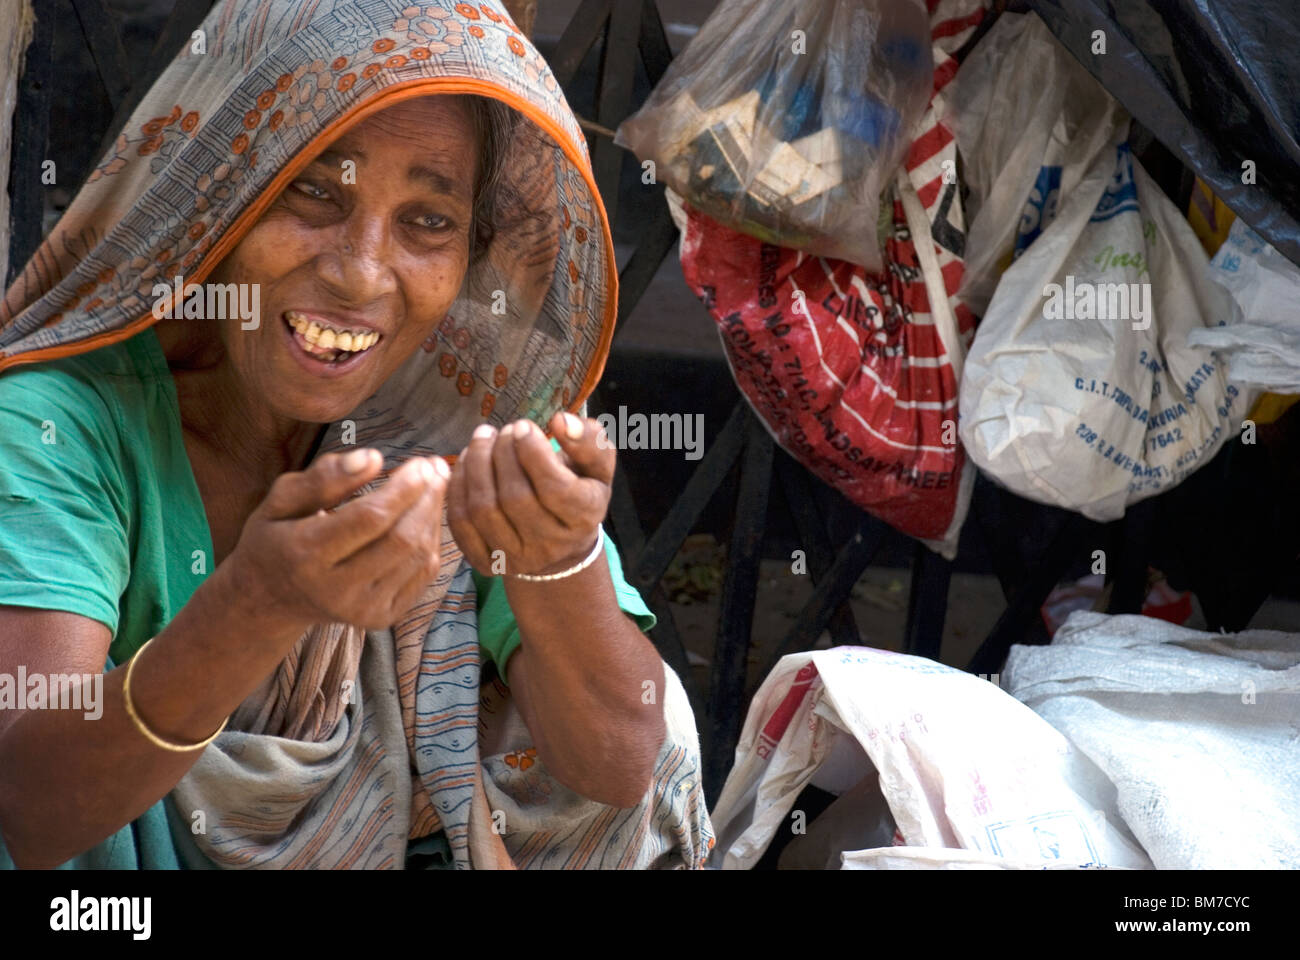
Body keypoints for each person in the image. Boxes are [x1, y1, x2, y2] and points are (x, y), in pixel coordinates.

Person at [0, 0, 712, 870]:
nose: (361, 272)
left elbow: (621, 765)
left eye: (428, 221)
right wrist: (255, 609)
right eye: (314, 192)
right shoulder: (57, 425)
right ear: (217, 189)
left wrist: (557, 562)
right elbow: (27, 809)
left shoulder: (456, 421)